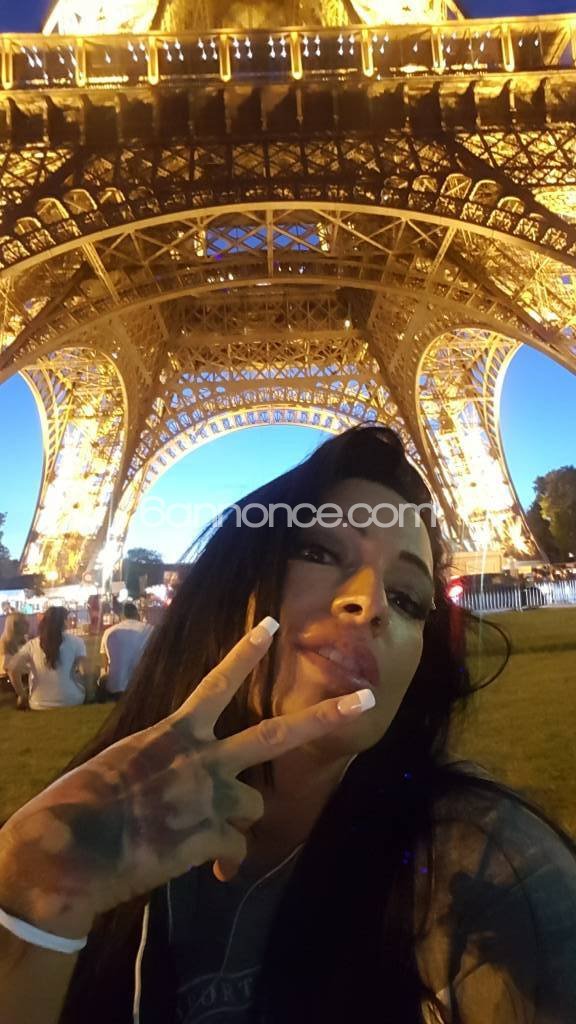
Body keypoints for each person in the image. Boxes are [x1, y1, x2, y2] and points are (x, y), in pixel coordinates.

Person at [0, 424, 575, 1024]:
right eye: (321, 552)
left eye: (408, 598)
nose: (372, 603)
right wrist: (36, 897)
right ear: (230, 586)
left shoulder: (492, 868)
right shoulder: (69, 847)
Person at [7, 607, 88, 711]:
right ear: (63, 622)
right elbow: (85, 670)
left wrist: (22, 695)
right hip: (72, 699)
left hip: (39, 703)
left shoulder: (32, 645)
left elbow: (12, 669)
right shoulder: (77, 642)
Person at [98, 602, 152, 701]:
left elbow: (104, 664)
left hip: (115, 688)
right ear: (137, 615)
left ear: (121, 616)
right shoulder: (149, 629)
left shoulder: (108, 632)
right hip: (141, 686)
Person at [0, 613, 29, 703]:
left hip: (21, 677)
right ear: (15, 626)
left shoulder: (23, 640)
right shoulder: (5, 644)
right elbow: (8, 668)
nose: (28, 624)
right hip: (9, 682)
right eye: (24, 622)